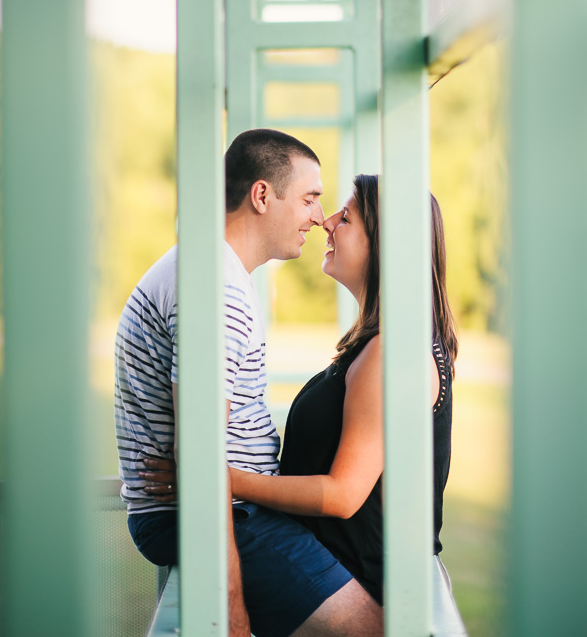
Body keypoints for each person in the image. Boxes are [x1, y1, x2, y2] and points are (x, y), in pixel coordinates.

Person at [115, 129, 383, 637]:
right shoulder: (216, 290)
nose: (317, 217)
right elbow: (200, 453)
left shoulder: (214, 274)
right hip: (223, 518)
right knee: (375, 629)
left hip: (232, 511)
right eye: (309, 198)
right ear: (262, 195)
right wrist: (231, 610)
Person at [144, 176, 458, 608]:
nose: (326, 222)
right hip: (341, 574)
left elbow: (343, 495)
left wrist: (212, 478)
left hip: (366, 590)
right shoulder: (383, 341)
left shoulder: (394, 351)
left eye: (346, 217)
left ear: (387, 244)